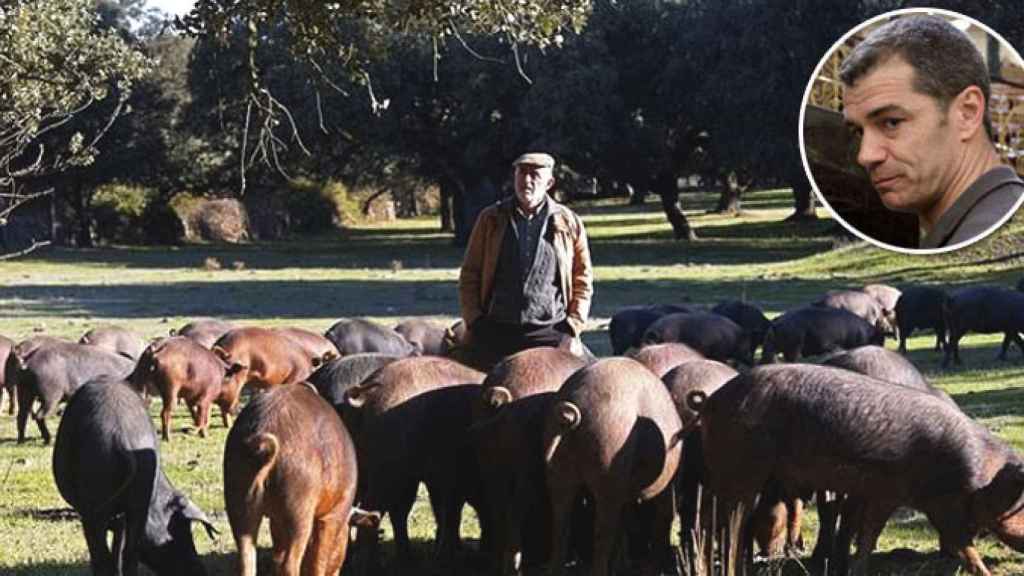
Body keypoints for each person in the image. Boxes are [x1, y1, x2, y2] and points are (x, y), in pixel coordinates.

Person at [839, 14, 1024, 249]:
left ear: (967, 113)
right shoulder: (969, 227)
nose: (865, 156)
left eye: (892, 122)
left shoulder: (986, 233)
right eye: (857, 131)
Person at [457, 152, 594, 371]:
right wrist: (475, 321)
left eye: (535, 175)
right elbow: (470, 275)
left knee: (592, 386)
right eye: (522, 173)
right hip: (496, 330)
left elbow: (582, 280)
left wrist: (572, 329)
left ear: (549, 183)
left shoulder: (569, 222)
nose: (527, 181)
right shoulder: (491, 219)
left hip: (552, 331)